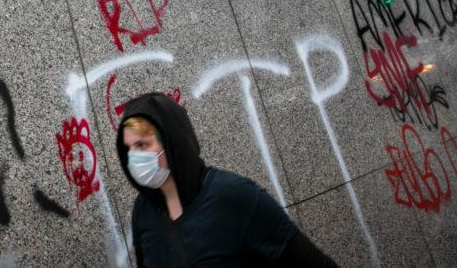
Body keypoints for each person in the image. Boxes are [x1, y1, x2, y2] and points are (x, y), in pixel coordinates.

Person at [117, 93, 337, 267]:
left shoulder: (234, 196)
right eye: (128, 149)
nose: (134, 157)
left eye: (142, 145)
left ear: (172, 142)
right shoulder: (143, 212)